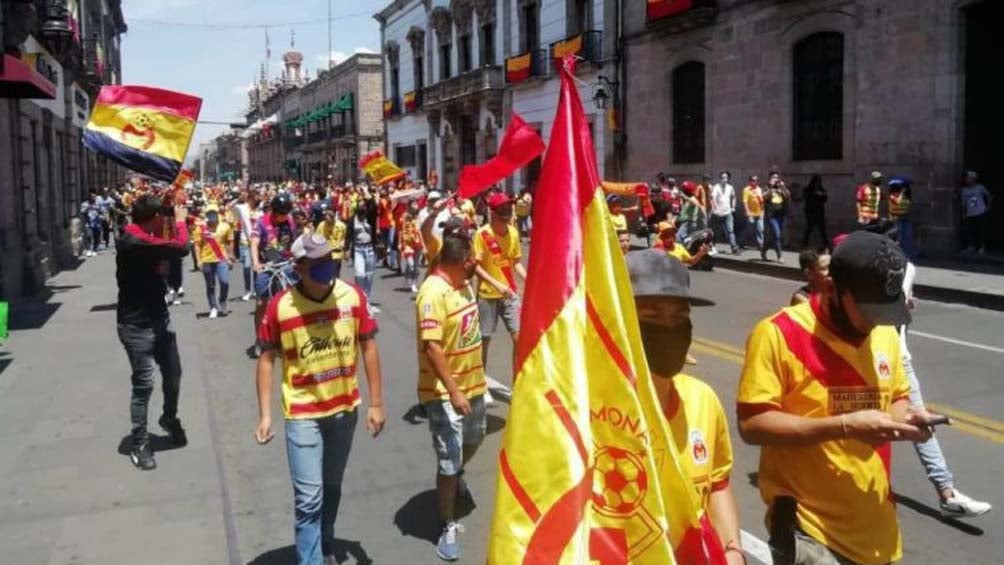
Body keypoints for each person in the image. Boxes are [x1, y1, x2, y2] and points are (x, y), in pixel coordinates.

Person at [737, 231, 940, 565]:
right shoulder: (778, 333)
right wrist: (843, 425)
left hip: (875, 525)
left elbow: (898, 398)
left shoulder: (884, 333)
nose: (876, 322)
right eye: (868, 310)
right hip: (810, 530)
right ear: (832, 288)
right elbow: (752, 424)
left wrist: (906, 420)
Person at [254, 233, 386, 565]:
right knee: (309, 499)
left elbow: (368, 345)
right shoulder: (280, 307)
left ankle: (325, 542)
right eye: (318, 262)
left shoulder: (352, 296)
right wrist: (265, 415)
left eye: (330, 258)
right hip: (302, 414)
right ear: (299, 267)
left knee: (332, 485)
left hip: (344, 410)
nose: (328, 266)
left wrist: (376, 402)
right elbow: (267, 358)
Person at [625, 251, 744, 564]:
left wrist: (733, 550)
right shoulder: (591, 412)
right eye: (651, 317)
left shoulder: (702, 399)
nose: (668, 328)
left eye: (679, 317)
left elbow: (717, 484)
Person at [896, 260, 992, 519]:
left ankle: (947, 495)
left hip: (899, 359)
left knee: (921, 424)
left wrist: (906, 308)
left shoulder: (909, 268)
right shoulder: (859, 270)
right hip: (866, 358)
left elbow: (902, 315)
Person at [415, 220, 487, 562]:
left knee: (476, 439)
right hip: (445, 393)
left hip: (474, 384)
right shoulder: (433, 293)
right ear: (457, 265)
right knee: (448, 459)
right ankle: (446, 523)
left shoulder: (463, 283)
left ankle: (458, 473)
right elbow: (433, 348)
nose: (474, 268)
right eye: (470, 264)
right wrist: (454, 391)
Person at [116, 195, 192, 470]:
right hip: (135, 325)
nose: (165, 220)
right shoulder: (133, 240)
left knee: (174, 374)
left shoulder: (150, 235)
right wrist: (180, 222)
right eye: (161, 216)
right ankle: (139, 442)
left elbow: (168, 243)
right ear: (152, 218)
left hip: (160, 318)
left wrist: (170, 205)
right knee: (144, 383)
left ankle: (169, 418)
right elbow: (182, 247)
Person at [472, 192, 527, 403]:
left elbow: (516, 262)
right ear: (493, 213)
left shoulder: (513, 233)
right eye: (503, 211)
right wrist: (494, 283)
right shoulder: (482, 235)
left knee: (519, 338)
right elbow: (475, 265)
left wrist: (529, 280)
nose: (507, 214)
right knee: (484, 341)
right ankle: (480, 384)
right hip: (488, 295)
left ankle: (517, 385)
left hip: (509, 294)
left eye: (509, 210)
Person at [249, 194, 298, 358]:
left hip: (286, 264)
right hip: (267, 266)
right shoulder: (262, 221)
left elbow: (295, 242)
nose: (284, 217)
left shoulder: (290, 221)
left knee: (295, 299)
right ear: (275, 211)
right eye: (281, 213)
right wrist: (256, 262)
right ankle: (259, 339)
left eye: (286, 213)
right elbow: (254, 243)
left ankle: (289, 338)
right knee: (262, 303)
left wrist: (297, 257)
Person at [193, 210, 235, 319]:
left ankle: (222, 300)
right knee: (210, 285)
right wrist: (198, 261)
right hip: (206, 259)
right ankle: (213, 307)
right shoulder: (200, 228)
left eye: (215, 222)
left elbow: (230, 240)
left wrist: (230, 256)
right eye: (211, 222)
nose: (213, 224)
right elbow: (197, 246)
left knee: (224, 282)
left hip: (221, 258)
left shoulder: (225, 227)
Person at [352, 187, 380, 312]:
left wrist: (366, 192)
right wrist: (347, 248)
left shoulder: (370, 217)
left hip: (369, 249)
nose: (362, 205)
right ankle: (360, 298)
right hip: (358, 250)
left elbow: (373, 205)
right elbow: (348, 234)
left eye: (364, 204)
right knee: (360, 274)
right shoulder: (352, 220)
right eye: (360, 203)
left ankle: (366, 301)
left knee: (369, 276)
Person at [231, 190, 256, 301]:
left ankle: (256, 289)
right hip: (245, 242)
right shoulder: (242, 207)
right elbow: (230, 207)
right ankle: (247, 290)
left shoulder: (259, 210)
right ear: (250, 199)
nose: (256, 201)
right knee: (246, 267)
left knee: (256, 267)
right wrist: (239, 198)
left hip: (256, 242)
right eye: (254, 199)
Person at [960, 171, 992, 254]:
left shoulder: (980, 188)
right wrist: (963, 214)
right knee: (970, 231)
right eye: (966, 178)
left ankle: (982, 247)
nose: (967, 180)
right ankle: (971, 247)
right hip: (970, 213)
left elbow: (989, 196)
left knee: (982, 230)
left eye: (969, 178)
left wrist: (987, 208)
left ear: (973, 179)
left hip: (980, 212)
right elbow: (963, 203)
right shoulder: (964, 190)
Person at [761, 172, 790, 263]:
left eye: (777, 177)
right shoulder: (766, 187)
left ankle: (764, 249)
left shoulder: (781, 187)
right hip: (771, 215)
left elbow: (788, 195)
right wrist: (770, 188)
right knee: (777, 235)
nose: (776, 179)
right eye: (774, 177)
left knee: (775, 236)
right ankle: (779, 256)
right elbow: (763, 197)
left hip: (780, 215)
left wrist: (783, 187)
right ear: (770, 178)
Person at [710, 171, 739, 254]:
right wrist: (715, 208)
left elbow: (733, 197)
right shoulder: (716, 187)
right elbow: (712, 198)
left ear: (728, 178)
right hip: (718, 214)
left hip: (727, 212)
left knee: (730, 231)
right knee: (716, 231)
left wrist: (733, 206)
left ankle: (734, 248)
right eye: (723, 178)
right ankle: (712, 246)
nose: (724, 179)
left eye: (726, 178)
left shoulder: (730, 187)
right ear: (720, 178)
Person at [315, 206, 347, 280]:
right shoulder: (321, 225)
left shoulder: (341, 226)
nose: (326, 218)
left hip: (337, 254)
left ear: (333, 217)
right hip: (325, 254)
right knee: (326, 275)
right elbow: (317, 239)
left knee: (336, 275)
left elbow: (344, 238)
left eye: (329, 216)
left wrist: (343, 244)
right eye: (325, 216)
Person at [802, 175, 830, 251]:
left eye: (819, 182)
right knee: (809, 229)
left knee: (822, 230)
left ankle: (826, 245)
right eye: (816, 182)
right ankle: (804, 244)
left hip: (819, 213)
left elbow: (825, 198)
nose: (818, 184)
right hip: (810, 212)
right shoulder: (807, 189)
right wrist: (815, 194)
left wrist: (820, 194)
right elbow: (805, 198)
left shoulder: (822, 190)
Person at [887, 177, 913, 258]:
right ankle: (896, 255)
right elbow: (897, 202)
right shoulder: (892, 196)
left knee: (907, 237)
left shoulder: (906, 197)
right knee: (898, 238)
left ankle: (906, 254)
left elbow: (908, 207)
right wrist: (901, 193)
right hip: (896, 218)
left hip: (905, 218)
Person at [399, 211, 423, 292]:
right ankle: (407, 276)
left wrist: (424, 246)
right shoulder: (404, 221)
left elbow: (420, 233)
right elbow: (400, 232)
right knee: (411, 265)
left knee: (416, 266)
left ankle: (414, 284)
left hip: (417, 244)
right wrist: (399, 243)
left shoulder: (418, 221)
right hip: (408, 245)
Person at [741, 175, 765, 250]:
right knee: (749, 230)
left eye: (756, 180)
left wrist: (762, 212)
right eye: (753, 180)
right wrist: (748, 213)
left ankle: (761, 245)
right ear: (750, 181)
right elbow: (745, 202)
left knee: (760, 229)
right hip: (750, 213)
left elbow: (762, 202)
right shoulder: (746, 189)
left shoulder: (759, 189)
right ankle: (741, 242)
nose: (755, 181)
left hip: (759, 212)